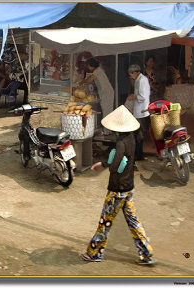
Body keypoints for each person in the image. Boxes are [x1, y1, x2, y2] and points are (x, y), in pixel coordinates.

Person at [81, 105, 156, 265]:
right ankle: (146, 253)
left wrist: (106, 164)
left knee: (105, 222)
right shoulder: (132, 138)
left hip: (117, 189)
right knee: (133, 221)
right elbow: (120, 160)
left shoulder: (121, 143)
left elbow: (115, 166)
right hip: (129, 186)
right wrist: (103, 163)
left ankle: (94, 252)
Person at [82, 58, 114, 135]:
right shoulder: (99, 70)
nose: (88, 67)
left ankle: (107, 131)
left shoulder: (97, 71)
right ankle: (108, 130)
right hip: (107, 93)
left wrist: (81, 82)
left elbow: (89, 79)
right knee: (107, 111)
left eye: (88, 66)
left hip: (106, 93)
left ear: (91, 66)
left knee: (106, 111)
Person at [127, 64, 150, 161]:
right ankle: (138, 154)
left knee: (139, 134)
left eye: (131, 74)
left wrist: (134, 97)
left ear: (136, 72)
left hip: (142, 111)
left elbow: (143, 96)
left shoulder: (142, 80)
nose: (131, 76)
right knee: (137, 134)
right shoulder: (138, 80)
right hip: (138, 110)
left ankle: (139, 155)